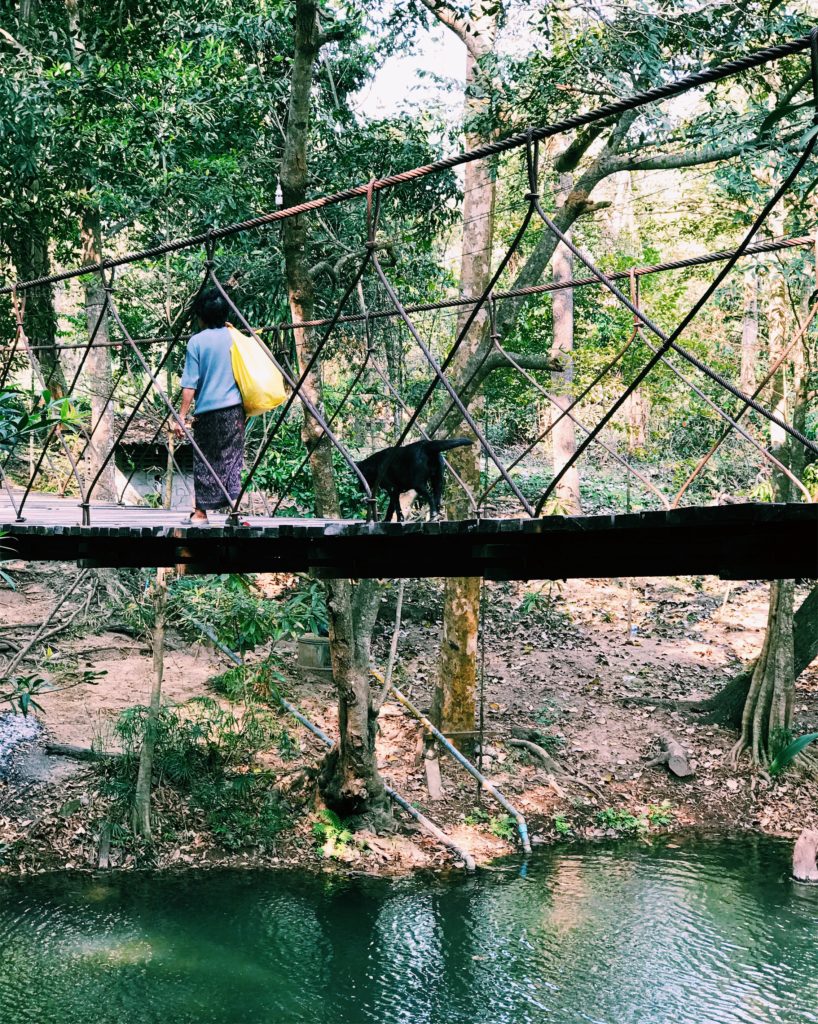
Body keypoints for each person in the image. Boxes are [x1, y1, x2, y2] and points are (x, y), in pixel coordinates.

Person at [174, 288, 245, 525]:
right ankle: (235, 512)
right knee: (232, 459)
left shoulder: (196, 342)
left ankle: (201, 514)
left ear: (200, 316)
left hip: (206, 412)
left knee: (204, 460)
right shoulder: (236, 338)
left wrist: (181, 417)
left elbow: (189, 386)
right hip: (234, 410)